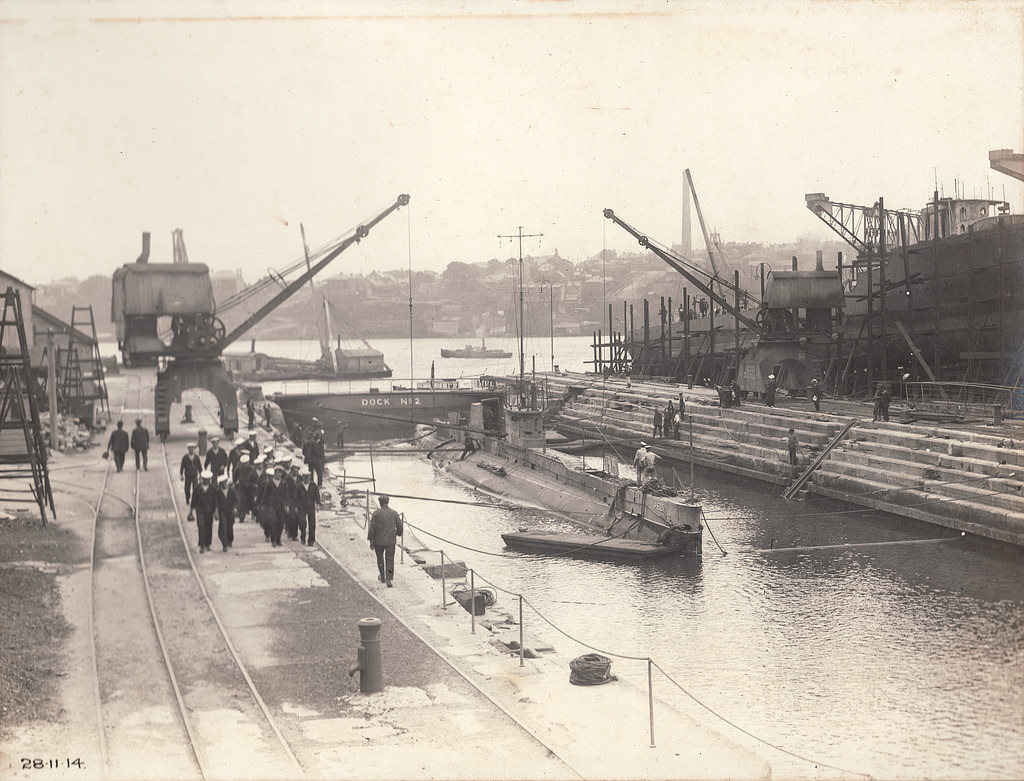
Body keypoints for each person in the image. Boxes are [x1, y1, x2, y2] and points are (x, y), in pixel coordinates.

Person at [367, 495, 403, 587]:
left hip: (378, 541)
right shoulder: (394, 513)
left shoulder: (376, 514)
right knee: (390, 560)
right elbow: (400, 527)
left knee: (380, 559)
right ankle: (389, 579)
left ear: (380, 503)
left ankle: (382, 577)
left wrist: (371, 541)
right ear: (388, 502)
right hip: (390, 541)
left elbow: (372, 529)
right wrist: (398, 533)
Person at [190, 470, 218, 553]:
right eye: (205, 479)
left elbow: (216, 501)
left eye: (208, 479)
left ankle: (207, 544)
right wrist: (191, 511)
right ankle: (202, 545)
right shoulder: (197, 488)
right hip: (200, 510)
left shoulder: (213, 488)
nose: (206, 481)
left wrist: (216, 511)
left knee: (209, 527)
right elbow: (193, 500)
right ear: (202, 479)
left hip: (210, 511)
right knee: (201, 526)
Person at [295, 467, 319, 545]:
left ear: (310, 477)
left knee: (312, 524)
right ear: (303, 477)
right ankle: (303, 536)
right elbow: (296, 497)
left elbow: (317, 495)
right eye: (305, 477)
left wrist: (318, 504)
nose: (306, 478)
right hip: (302, 507)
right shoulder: (299, 486)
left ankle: (311, 540)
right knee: (302, 523)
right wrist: (296, 506)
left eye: (308, 477)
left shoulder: (313, 485)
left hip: (311, 507)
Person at [180, 443, 202, 520]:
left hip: (195, 475)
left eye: (192, 448)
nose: (191, 450)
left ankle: (195, 501)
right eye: (190, 448)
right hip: (188, 475)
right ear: (188, 449)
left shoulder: (196, 457)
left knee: (195, 489)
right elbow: (182, 466)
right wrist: (181, 475)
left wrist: (201, 475)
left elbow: (199, 467)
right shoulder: (185, 457)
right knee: (187, 488)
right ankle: (187, 498)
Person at [216, 474, 236, 552]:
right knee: (223, 527)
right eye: (222, 483)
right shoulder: (218, 492)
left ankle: (230, 540)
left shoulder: (231, 490)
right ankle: (224, 544)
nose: (224, 484)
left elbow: (236, 500)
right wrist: (216, 512)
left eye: (225, 482)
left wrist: (235, 507)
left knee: (230, 526)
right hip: (222, 512)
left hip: (230, 511)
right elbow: (216, 502)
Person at [234, 454, 256, 522]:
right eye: (243, 464)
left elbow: (254, 477)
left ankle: (254, 513)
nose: (245, 465)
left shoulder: (252, 468)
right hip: (242, 487)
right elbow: (235, 476)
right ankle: (241, 516)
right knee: (242, 501)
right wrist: (235, 483)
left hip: (250, 487)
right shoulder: (238, 468)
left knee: (252, 500)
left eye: (246, 463)